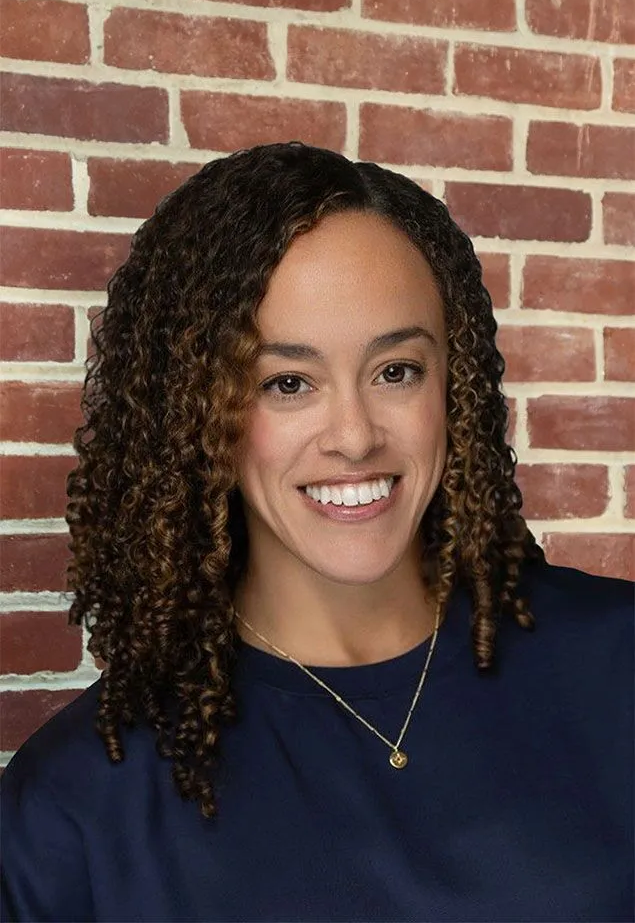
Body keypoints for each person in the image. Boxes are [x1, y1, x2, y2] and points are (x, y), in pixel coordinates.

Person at [1, 142, 632, 923]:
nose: (355, 436)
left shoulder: (617, 665)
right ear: (197, 417)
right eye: (286, 383)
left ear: (454, 381)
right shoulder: (80, 804)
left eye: (395, 370)